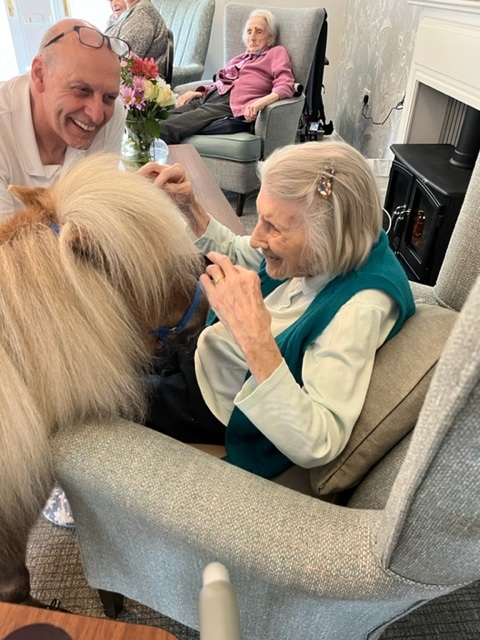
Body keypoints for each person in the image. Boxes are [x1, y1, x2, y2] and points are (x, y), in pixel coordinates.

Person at [139, 140, 416, 479]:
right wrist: (190, 207)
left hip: (210, 402)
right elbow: (242, 252)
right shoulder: (332, 248)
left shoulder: (358, 309)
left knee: (105, 401)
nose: (256, 237)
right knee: (121, 360)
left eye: (273, 226)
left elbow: (319, 440)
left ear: (327, 236)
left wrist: (250, 332)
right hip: (204, 354)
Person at [0, 18, 129, 219]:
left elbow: (99, 212)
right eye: (81, 90)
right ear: (40, 75)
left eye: (109, 97)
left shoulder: (113, 113)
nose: (96, 115)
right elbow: (6, 247)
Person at [159, 9, 295, 144]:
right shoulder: (238, 59)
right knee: (158, 120)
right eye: (249, 31)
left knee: (167, 128)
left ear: (270, 38)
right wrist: (197, 93)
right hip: (209, 98)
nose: (252, 37)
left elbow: (285, 85)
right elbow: (221, 83)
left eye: (259, 32)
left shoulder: (276, 53)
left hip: (228, 104)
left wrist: (260, 103)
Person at [105, 0, 168, 79]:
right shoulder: (130, 12)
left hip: (130, 85)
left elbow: (124, 60)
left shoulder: (142, 13)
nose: (113, 4)